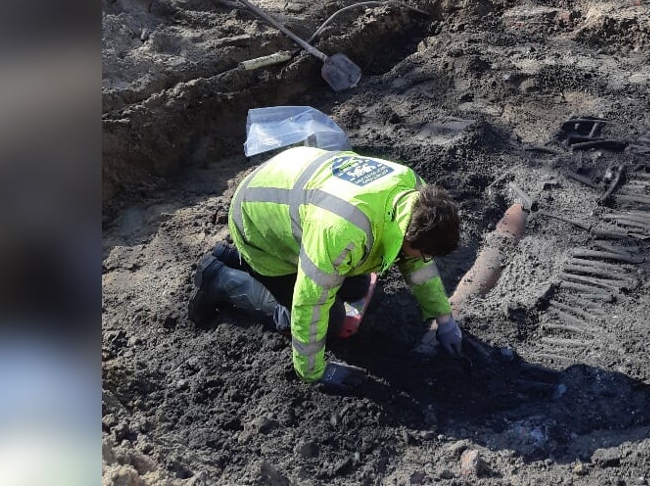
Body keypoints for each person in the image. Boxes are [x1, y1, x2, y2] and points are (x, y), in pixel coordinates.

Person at [187, 146, 462, 396]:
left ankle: (231, 256)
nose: (427, 260)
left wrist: (444, 318)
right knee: (331, 323)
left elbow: (418, 264)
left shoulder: (417, 196)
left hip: (290, 187)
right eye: (426, 253)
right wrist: (314, 373)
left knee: (356, 286)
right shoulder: (343, 232)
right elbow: (310, 302)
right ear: (408, 235)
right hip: (258, 225)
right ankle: (221, 279)